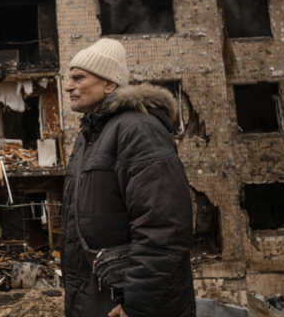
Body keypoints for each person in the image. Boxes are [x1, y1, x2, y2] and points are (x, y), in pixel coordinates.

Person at [61, 38, 195, 317]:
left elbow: (163, 226)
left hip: (131, 305)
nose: (67, 86)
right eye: (68, 78)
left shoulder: (137, 130)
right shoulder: (90, 135)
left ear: (110, 84)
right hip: (96, 299)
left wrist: (137, 305)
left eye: (78, 77)